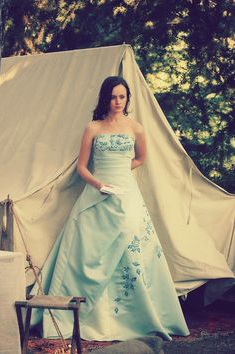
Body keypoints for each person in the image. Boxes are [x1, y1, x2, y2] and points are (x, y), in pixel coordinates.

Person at [31, 76, 189, 341]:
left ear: (127, 99)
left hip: (127, 195)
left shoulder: (136, 128)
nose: (118, 102)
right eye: (113, 97)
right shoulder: (92, 128)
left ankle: (134, 318)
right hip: (96, 194)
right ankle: (84, 314)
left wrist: (119, 174)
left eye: (122, 97)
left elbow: (140, 158)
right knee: (85, 250)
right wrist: (100, 183)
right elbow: (82, 167)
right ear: (106, 98)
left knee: (131, 247)